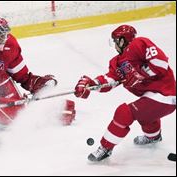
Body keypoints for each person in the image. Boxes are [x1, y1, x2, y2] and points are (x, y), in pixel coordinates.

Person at [74, 25, 176, 161]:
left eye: (116, 41)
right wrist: (91, 85)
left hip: (166, 93)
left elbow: (160, 63)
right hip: (152, 97)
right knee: (145, 113)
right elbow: (109, 80)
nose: (115, 45)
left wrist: (141, 74)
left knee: (125, 112)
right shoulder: (117, 62)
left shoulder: (139, 44)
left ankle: (105, 148)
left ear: (122, 40)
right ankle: (153, 136)